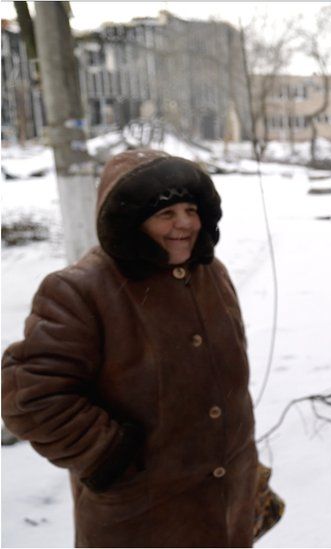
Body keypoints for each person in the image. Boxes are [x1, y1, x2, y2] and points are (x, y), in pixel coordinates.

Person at [2, 150, 260, 547]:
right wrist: (110, 456)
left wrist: (245, 469)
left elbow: (226, 385)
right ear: (130, 222)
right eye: (165, 214)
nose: (185, 224)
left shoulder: (210, 273)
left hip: (227, 512)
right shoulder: (81, 290)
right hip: (142, 520)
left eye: (191, 209)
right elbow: (31, 397)